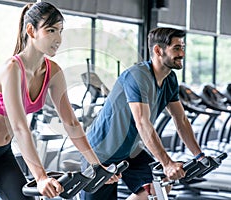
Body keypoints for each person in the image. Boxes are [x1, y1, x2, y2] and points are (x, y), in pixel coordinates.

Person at [0, 2, 108, 200]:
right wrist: (41, 177)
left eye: (61, 31)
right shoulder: (12, 69)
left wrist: (97, 166)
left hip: (1, 153)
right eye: (51, 30)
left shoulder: (53, 71)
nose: (58, 38)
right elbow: (20, 127)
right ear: (31, 30)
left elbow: (71, 123)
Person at [80, 27, 205, 200]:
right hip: (101, 154)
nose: (182, 53)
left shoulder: (170, 79)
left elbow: (181, 119)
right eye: (176, 48)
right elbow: (142, 122)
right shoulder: (138, 75)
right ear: (158, 50)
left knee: (159, 185)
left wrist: (199, 156)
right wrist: (167, 163)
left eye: (183, 47)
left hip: (131, 152)